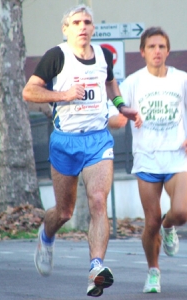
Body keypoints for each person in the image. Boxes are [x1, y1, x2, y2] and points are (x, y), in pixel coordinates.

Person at [22, 4, 142, 297]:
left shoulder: (103, 55)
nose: (83, 26)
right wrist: (63, 95)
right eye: (76, 22)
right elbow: (29, 91)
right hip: (65, 141)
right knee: (64, 211)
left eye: (87, 21)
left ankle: (95, 268)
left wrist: (121, 106)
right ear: (66, 29)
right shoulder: (56, 56)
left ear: (93, 27)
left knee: (98, 201)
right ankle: (46, 235)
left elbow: (110, 82)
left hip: (98, 140)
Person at [119, 27, 187, 294]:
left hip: (177, 156)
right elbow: (116, 113)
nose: (157, 51)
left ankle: (169, 228)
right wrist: (123, 115)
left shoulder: (181, 80)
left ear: (167, 51)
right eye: (151, 47)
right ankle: (153, 271)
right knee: (151, 221)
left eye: (161, 47)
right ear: (142, 52)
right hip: (147, 159)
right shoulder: (133, 82)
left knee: (180, 212)